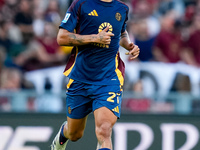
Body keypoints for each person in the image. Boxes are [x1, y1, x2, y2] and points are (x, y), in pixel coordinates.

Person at [51, 0, 140, 150]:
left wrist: (129, 44)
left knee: (104, 130)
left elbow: (121, 32)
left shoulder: (122, 8)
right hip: (81, 78)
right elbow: (62, 37)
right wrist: (94, 38)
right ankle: (63, 134)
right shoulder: (80, 4)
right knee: (74, 134)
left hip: (108, 78)